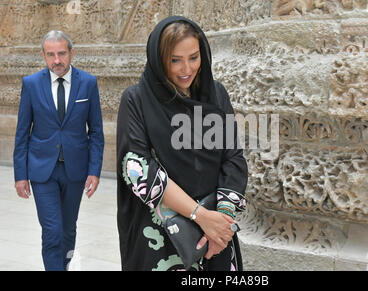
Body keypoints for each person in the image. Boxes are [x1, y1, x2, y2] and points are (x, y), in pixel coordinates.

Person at [116, 16, 248, 271]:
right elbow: (139, 170)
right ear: (159, 59)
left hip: (217, 233)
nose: (186, 69)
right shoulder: (137, 100)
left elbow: (233, 158)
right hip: (163, 234)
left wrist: (222, 223)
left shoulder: (215, 94)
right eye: (175, 60)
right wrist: (201, 216)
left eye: (194, 57)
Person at [13, 30, 104, 271]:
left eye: (62, 53)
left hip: (75, 170)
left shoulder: (88, 83)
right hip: (42, 170)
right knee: (52, 230)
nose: (57, 60)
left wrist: (94, 171)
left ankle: (62, 266)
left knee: (68, 229)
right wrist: (20, 174)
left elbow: (96, 132)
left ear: (71, 53)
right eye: (51, 54)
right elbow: (22, 132)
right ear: (43, 55)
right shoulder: (31, 84)